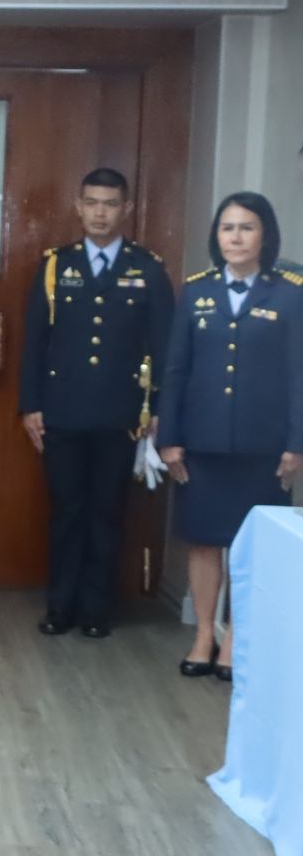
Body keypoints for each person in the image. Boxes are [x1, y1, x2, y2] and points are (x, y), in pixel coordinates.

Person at [18, 168, 174, 638]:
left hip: (120, 415)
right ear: (78, 207)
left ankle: (95, 610)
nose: (100, 213)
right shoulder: (55, 266)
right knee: (66, 511)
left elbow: (165, 347)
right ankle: (59, 606)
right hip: (62, 412)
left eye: (109, 204)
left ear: (126, 209)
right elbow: (35, 343)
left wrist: (158, 410)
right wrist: (30, 405)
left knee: (107, 513)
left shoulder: (147, 269)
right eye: (92, 203)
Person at [157, 191, 302, 682]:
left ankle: (237, 639)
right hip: (201, 444)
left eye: (246, 227)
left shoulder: (291, 294)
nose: (235, 237)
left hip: (264, 447)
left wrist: (297, 442)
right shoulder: (195, 292)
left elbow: (299, 375)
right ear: (216, 236)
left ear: (265, 236)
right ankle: (204, 634)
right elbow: (175, 370)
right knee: (203, 543)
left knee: (252, 546)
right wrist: (169, 438)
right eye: (227, 228)